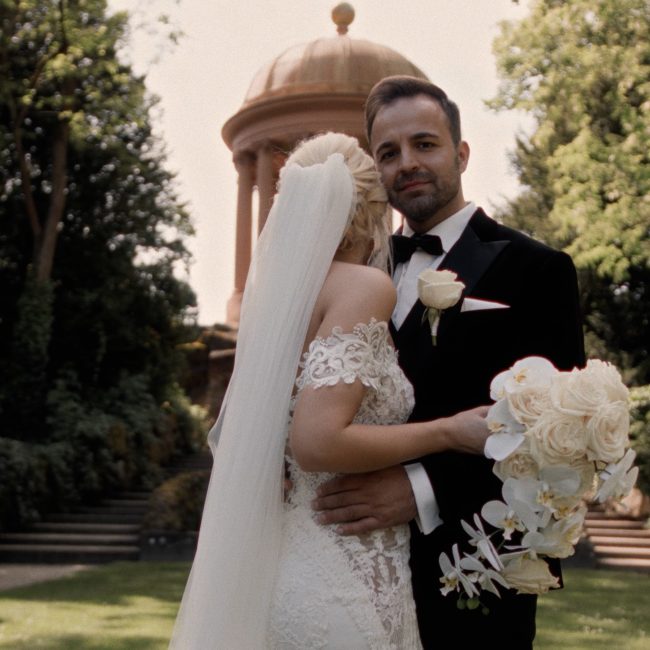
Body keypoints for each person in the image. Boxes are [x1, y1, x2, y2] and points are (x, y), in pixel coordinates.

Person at [168, 132, 492, 649]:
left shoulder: (274, 310)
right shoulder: (363, 286)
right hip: (342, 585)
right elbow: (317, 442)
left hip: (294, 565)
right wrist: (450, 432)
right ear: (372, 213)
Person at [313, 76, 586, 649]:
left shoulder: (537, 271)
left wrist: (421, 489)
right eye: (388, 153)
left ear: (461, 154)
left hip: (472, 573)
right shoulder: (353, 278)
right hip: (352, 573)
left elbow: (557, 439)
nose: (406, 163)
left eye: (425, 144)